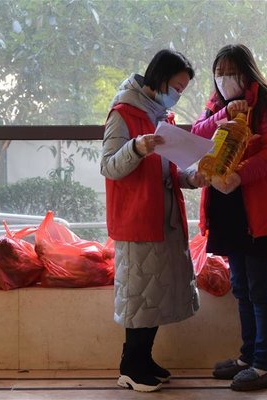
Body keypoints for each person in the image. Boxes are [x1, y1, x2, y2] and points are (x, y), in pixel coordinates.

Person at [191, 44, 267, 391]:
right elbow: (197, 135)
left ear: (247, 72)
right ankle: (248, 357)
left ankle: (266, 365)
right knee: (242, 288)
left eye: (230, 72)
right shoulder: (216, 105)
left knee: (262, 291)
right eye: (218, 73)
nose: (223, 80)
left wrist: (240, 175)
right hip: (228, 211)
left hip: (262, 212)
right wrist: (223, 115)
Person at [100, 49, 206, 392]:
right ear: (159, 79)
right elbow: (109, 167)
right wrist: (136, 148)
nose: (177, 94)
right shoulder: (123, 114)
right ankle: (130, 366)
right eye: (176, 86)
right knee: (139, 295)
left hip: (164, 217)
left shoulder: (163, 117)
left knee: (154, 294)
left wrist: (193, 177)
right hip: (138, 217)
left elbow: (171, 170)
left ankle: (143, 359)